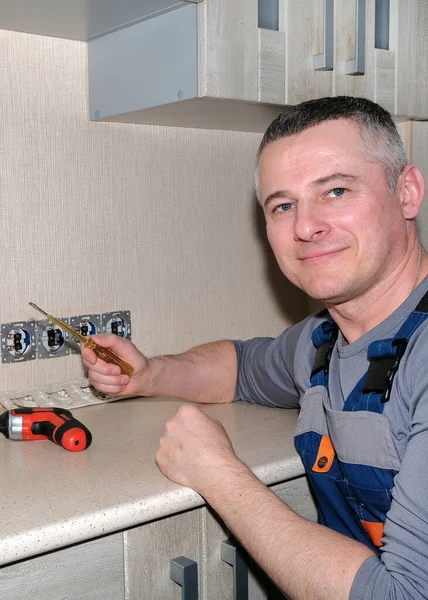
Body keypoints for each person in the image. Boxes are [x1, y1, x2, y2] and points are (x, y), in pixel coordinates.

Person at [82, 96, 428, 599]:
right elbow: (242, 366)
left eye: (335, 190)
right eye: (283, 205)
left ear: (407, 192)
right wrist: (151, 373)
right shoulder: (323, 340)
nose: (306, 226)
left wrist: (219, 474)